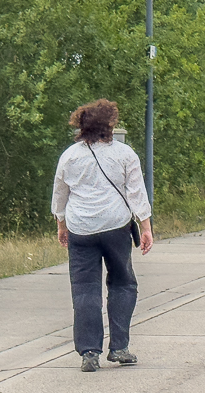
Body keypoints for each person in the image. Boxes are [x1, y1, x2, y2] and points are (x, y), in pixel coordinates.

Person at [52, 99, 153, 373]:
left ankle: (89, 352)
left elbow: (60, 194)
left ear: (81, 125)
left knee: (85, 289)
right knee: (123, 284)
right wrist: (145, 227)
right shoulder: (124, 154)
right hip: (116, 226)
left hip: (81, 228)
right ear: (109, 125)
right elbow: (136, 192)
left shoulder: (70, 156)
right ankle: (119, 348)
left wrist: (61, 225)